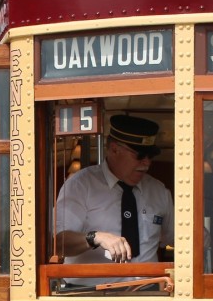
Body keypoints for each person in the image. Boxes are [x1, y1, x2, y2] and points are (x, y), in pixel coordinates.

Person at [55, 114, 175, 286]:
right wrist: (95, 237)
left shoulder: (159, 191)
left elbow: (177, 238)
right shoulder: (80, 185)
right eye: (140, 155)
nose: (146, 163)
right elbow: (59, 243)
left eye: (150, 156)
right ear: (114, 149)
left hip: (148, 295)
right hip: (89, 296)